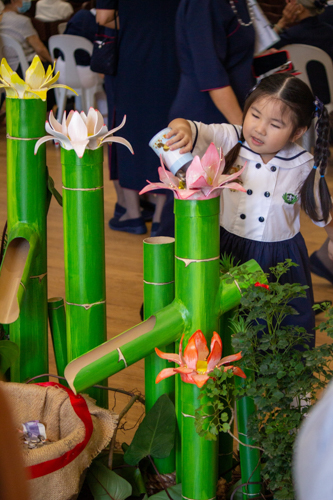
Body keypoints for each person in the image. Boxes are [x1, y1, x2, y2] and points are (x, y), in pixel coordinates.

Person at [165, 73, 333, 346]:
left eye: (275, 124)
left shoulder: (304, 164)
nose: (259, 129)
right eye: (255, 115)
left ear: (298, 132)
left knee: (280, 328)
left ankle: (287, 387)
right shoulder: (229, 138)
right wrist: (180, 128)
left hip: (279, 258)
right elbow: (189, 127)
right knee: (226, 323)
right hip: (227, 248)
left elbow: (322, 209)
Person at [96, 0, 180, 236]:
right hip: (172, 58)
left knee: (126, 130)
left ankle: (132, 213)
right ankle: (160, 216)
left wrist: (135, 20)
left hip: (131, 59)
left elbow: (103, 18)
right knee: (166, 130)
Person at [0, 0, 53, 72]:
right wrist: (53, 61)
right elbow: (40, 49)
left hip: (6, 68)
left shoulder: (2, 18)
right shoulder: (22, 21)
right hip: (26, 67)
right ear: (13, 1)